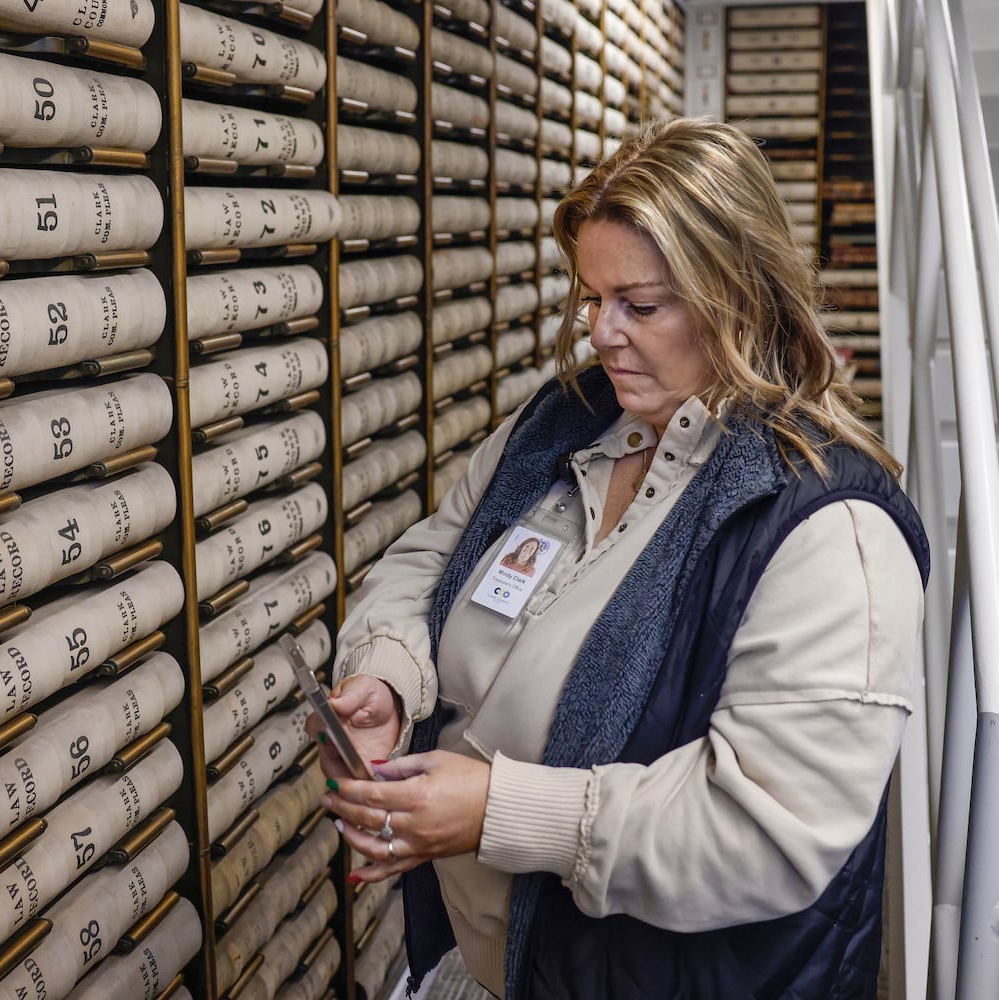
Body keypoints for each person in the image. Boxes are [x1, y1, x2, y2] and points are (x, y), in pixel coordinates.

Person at [310, 117, 929, 1000]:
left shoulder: (829, 527)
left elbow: (766, 831)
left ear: (738, 294)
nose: (601, 333)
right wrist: (386, 679)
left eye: (640, 305)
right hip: (486, 967)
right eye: (591, 298)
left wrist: (495, 813)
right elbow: (430, 555)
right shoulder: (564, 421)